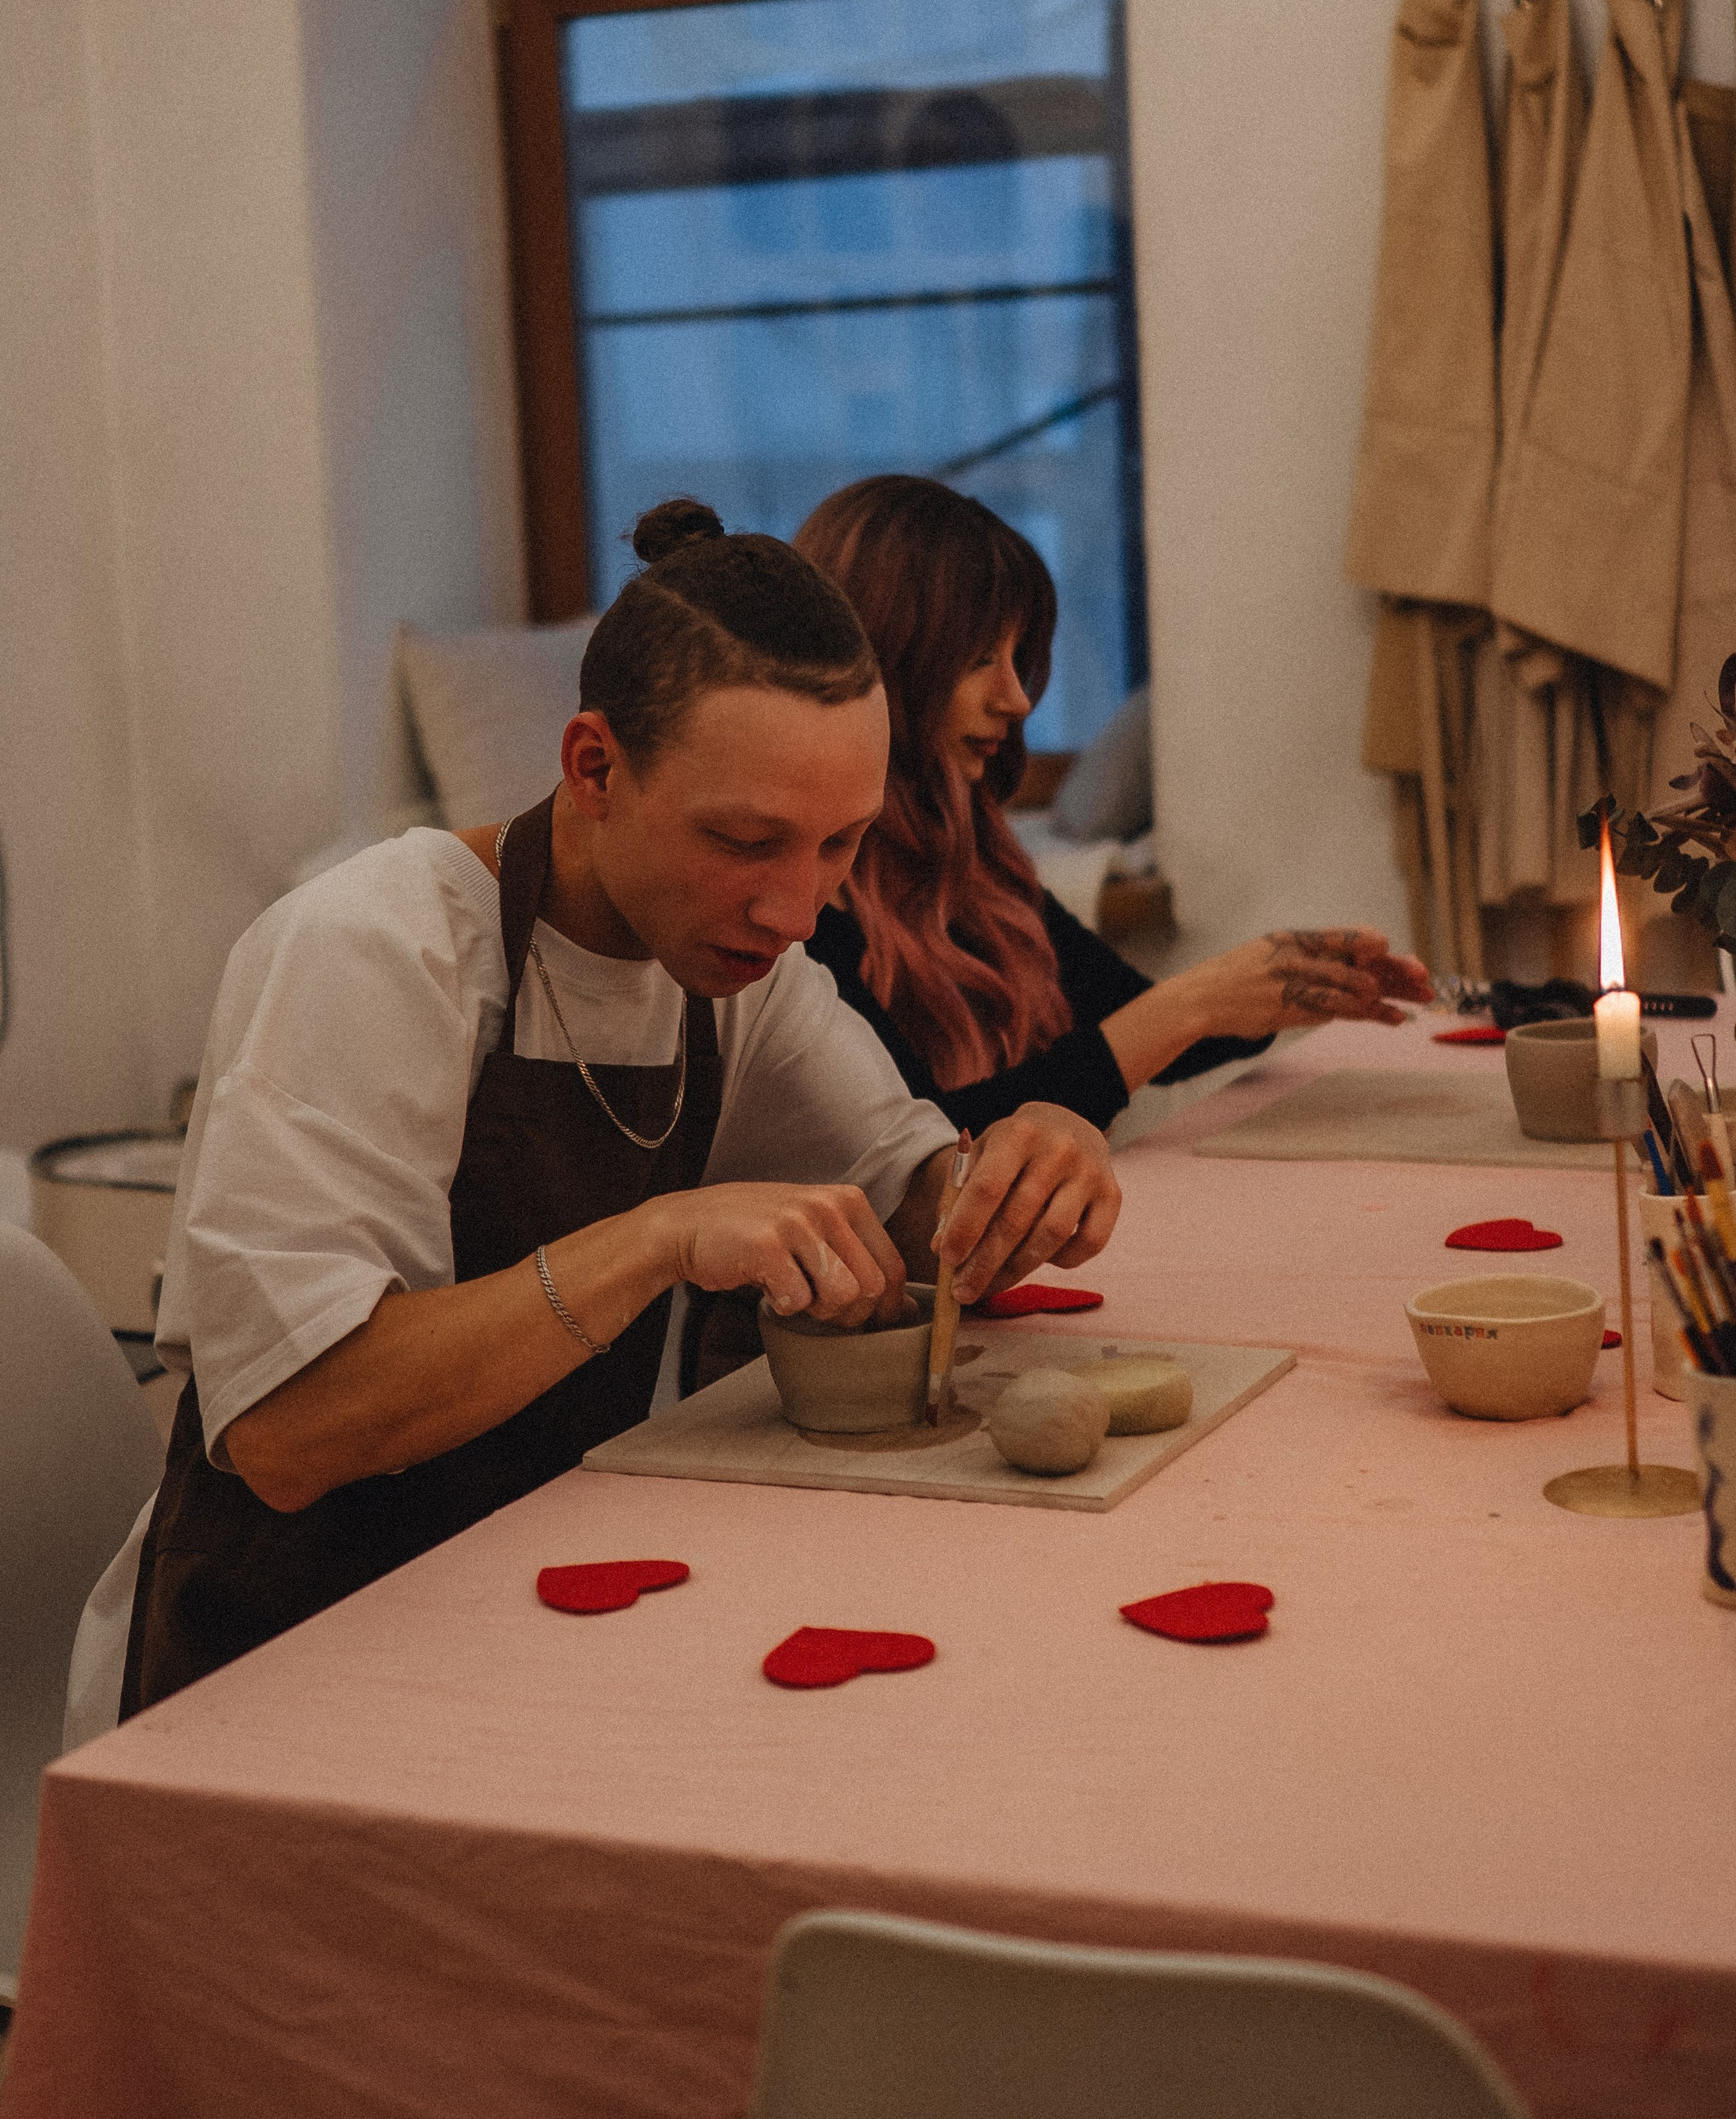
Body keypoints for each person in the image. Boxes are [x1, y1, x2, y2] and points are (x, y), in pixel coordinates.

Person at [78, 502, 1118, 1733]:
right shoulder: (377, 949)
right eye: (746, 841)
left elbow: (914, 1197)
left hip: (512, 1607)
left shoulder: (747, 977)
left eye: (840, 845)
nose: (797, 910)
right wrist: (655, 1238)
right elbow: (292, 1429)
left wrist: (1025, 1164)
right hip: (273, 1659)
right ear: (594, 768)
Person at [793, 477, 1434, 1134]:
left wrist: (1283, 981)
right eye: (980, 659)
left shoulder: (976, 865)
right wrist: (1195, 1003)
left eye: (1018, 658)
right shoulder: (801, 908)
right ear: (886, 661)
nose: (1017, 699)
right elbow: (930, 1139)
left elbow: (1126, 1020)